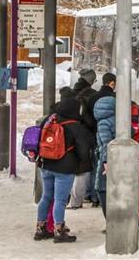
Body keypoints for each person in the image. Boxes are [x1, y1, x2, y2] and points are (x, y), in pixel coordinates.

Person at [34, 97, 93, 243]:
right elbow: (84, 150)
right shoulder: (75, 126)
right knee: (60, 200)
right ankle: (59, 230)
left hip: (46, 164)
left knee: (46, 197)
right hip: (65, 168)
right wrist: (83, 162)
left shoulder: (49, 120)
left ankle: (41, 228)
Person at [85, 72, 116, 207]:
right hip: (111, 141)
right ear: (112, 83)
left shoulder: (93, 98)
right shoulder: (116, 100)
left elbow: (86, 117)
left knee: (95, 168)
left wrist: (94, 127)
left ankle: (94, 197)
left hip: (94, 135)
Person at [68, 69, 97, 209]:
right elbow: (92, 120)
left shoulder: (72, 92)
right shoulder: (92, 95)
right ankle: (86, 195)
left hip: (72, 133)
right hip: (86, 135)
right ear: (91, 81)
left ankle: (74, 196)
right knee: (87, 166)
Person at [94, 95, 116, 219]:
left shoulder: (103, 123)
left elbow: (107, 144)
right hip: (120, 159)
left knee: (102, 189)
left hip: (106, 161)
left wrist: (106, 162)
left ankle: (110, 220)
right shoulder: (121, 120)